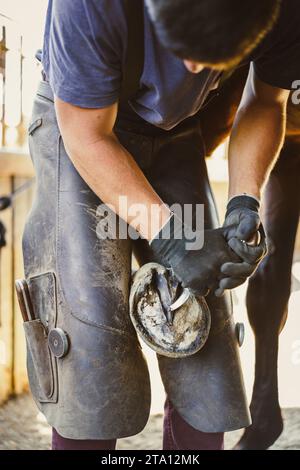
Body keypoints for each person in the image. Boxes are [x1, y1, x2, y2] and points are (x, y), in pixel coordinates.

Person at [22, 0, 299, 450]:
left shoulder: (285, 11)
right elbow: (87, 135)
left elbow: (266, 100)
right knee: (91, 362)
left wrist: (244, 204)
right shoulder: (89, 6)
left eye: (213, 56)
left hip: (175, 137)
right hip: (83, 134)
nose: (192, 67)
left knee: (206, 360)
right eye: (184, 49)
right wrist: (172, 238)